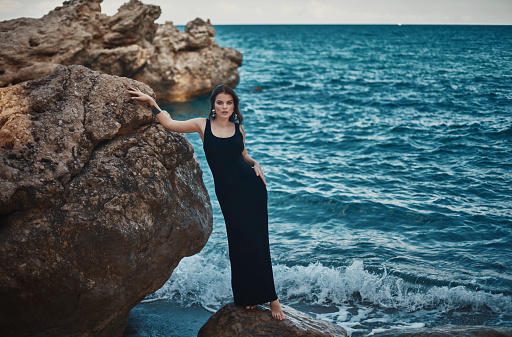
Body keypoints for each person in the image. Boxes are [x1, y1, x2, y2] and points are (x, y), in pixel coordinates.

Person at [126, 84, 286, 321]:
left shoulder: (238, 128)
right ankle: (247, 296)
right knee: (239, 243)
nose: (224, 107)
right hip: (228, 195)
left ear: (234, 106)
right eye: (220, 102)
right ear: (213, 104)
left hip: (252, 190)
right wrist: (152, 102)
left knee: (258, 241)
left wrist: (256, 164)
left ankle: (272, 299)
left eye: (229, 103)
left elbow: (243, 156)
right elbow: (170, 124)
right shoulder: (202, 125)